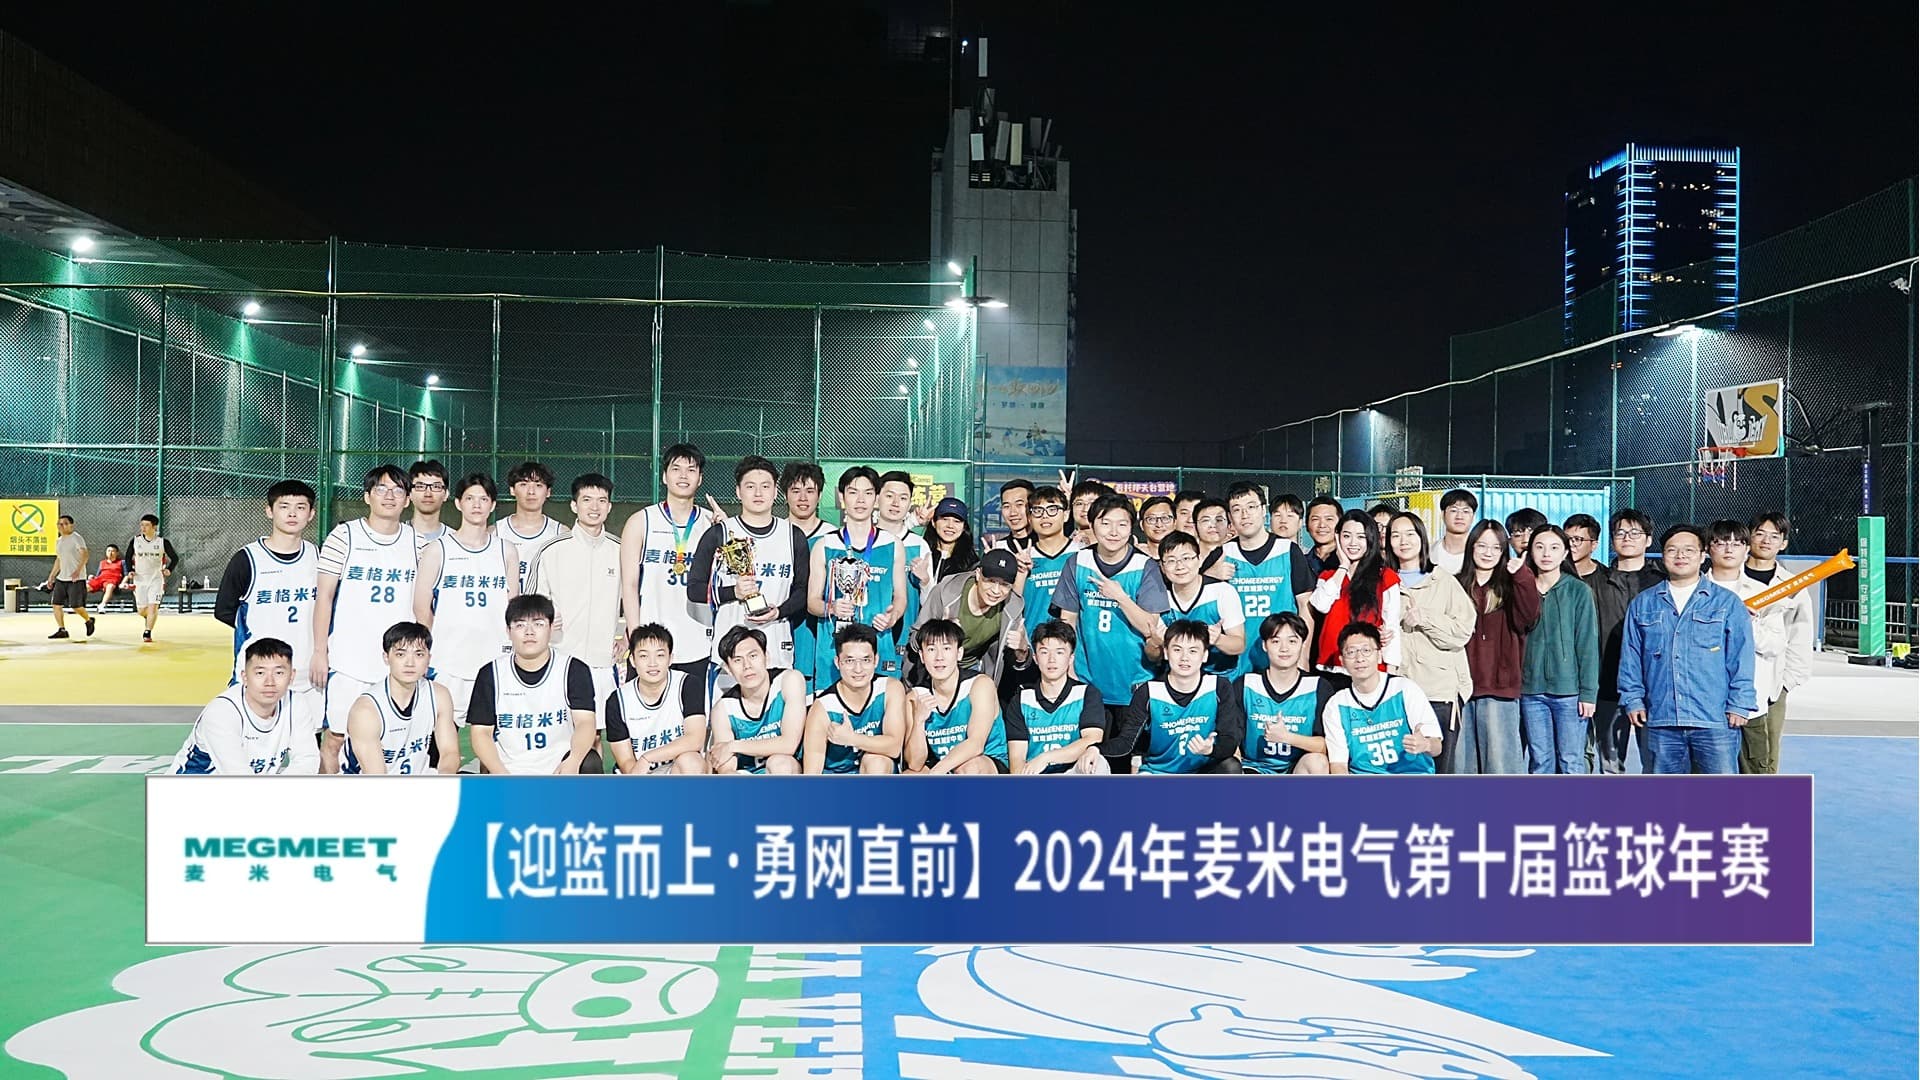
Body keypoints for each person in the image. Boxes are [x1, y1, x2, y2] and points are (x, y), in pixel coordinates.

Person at [1618, 524, 1756, 774]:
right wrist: (1633, 699)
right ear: (1663, 556)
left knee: (1721, 794)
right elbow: (1631, 657)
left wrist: (1739, 703)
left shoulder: (1727, 603)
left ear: (1703, 556)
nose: (1680, 555)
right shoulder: (1643, 604)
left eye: (1689, 550)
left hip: (1714, 720)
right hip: (1661, 719)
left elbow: (1741, 657)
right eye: (1672, 550)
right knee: (1666, 794)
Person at [1052, 493, 1171, 770]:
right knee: (1088, 762)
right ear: (1092, 524)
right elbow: (1067, 621)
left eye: (1122, 524)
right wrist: (1068, 666)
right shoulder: (1078, 563)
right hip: (1088, 680)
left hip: (1133, 683)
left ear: (1132, 527)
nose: (1113, 532)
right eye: (1105, 523)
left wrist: (1120, 596)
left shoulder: (1145, 566)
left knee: (1126, 762)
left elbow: (1150, 627)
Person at [313, 465, 419, 772]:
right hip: (348, 662)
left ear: (407, 500)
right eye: (381, 489)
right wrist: (320, 651)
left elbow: (425, 604)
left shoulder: (418, 543)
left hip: (398, 663)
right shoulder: (344, 536)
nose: (389, 496)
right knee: (335, 738)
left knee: (391, 740)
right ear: (367, 496)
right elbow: (324, 597)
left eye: (398, 490)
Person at [688, 456, 811, 694]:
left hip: (776, 650)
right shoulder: (720, 533)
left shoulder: (792, 536)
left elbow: (802, 591)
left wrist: (779, 611)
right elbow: (694, 589)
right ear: (738, 491)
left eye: (765, 486)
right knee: (726, 717)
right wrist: (733, 592)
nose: (758, 493)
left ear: (775, 492)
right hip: (729, 658)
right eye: (750, 486)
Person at [413, 472, 519, 726]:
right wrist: (434, 645)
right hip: (448, 661)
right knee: (440, 731)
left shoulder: (506, 550)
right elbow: (420, 607)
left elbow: (513, 606)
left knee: (494, 734)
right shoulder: (438, 549)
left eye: (483, 499)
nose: (477, 505)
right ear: (458, 503)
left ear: (493, 505)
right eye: (470, 498)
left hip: (494, 658)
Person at [528, 473, 624, 739]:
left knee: (594, 737)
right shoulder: (550, 550)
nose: (594, 507)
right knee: (558, 736)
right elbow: (530, 606)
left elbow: (634, 597)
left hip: (602, 662)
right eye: (587, 499)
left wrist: (628, 636)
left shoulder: (621, 550)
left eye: (601, 500)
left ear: (609, 506)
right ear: (574, 505)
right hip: (560, 659)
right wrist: (545, 618)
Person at [467, 593, 602, 775]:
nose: (529, 632)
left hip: (560, 767)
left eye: (538, 624)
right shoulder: (491, 674)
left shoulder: (573, 669)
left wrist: (574, 760)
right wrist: (500, 772)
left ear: (551, 628)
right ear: (508, 631)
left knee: (590, 762)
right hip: (508, 768)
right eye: (520, 625)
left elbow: (585, 722)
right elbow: (481, 732)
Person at [215, 480, 319, 712]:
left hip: (307, 673)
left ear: (311, 514)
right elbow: (223, 610)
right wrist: (259, 630)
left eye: (301, 507)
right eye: (284, 506)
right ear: (269, 511)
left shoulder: (317, 556)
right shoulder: (247, 559)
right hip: (260, 673)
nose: (292, 513)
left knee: (310, 734)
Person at [620, 443, 717, 687]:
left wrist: (729, 535)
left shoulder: (712, 524)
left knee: (695, 710)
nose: (683, 475)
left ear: (700, 478)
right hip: (652, 646)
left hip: (700, 644)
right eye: (676, 469)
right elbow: (629, 585)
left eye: (691, 470)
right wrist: (636, 637)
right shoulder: (641, 521)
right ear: (664, 476)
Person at [1387, 512, 1475, 773]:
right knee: (1400, 769)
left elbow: (1462, 631)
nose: (1403, 541)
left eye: (1410, 534)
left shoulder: (1442, 580)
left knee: (1440, 770)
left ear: (1422, 538)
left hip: (1438, 691)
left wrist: (1424, 618)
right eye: (1395, 535)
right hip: (1396, 691)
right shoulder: (1383, 583)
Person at [808, 466, 908, 685]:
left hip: (878, 645)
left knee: (883, 704)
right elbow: (812, 602)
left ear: (877, 498)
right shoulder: (824, 545)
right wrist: (831, 608)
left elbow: (900, 597)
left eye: (868, 493)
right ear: (841, 497)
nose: (860, 500)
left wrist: (893, 616)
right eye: (853, 492)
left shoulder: (893, 545)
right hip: (835, 649)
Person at [1108, 619, 1245, 774]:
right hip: (1159, 772)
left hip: (1202, 772)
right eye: (1177, 650)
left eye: (1193, 651)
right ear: (1166, 653)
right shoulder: (1148, 692)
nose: (1184, 657)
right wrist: (1095, 749)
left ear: (1205, 655)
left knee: (1231, 767)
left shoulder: (1219, 687)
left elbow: (1229, 740)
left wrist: (1211, 749)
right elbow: (1126, 742)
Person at [1455, 520, 1538, 774]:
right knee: (1462, 766)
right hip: (1461, 688)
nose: (1488, 553)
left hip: (1500, 689)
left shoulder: (1512, 585)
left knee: (1501, 766)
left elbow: (1529, 617)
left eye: (1496, 547)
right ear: (1471, 547)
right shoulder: (1456, 584)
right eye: (1482, 545)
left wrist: (1522, 576)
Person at [170, 638, 320, 774]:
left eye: (279, 673)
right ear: (245, 677)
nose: (270, 682)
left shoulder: (296, 703)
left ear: (292, 676)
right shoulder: (222, 712)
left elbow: (307, 760)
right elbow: (238, 777)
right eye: (260, 673)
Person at [1518, 525, 1600, 774]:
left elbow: (1587, 645)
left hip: (1569, 693)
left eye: (1554, 548)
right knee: (1540, 760)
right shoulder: (1522, 589)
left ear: (1564, 553)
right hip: (1531, 691)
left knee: (1570, 760)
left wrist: (1588, 693)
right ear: (1530, 551)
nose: (1546, 554)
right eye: (1539, 547)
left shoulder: (1578, 590)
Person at [1740, 511, 1816, 774]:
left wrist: (1786, 682)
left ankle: (1765, 800)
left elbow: (1800, 635)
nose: (1766, 541)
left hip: (1772, 682)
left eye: (1774, 536)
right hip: (1728, 681)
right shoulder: (1727, 577)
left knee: (1766, 756)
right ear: (1748, 537)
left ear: (1783, 543)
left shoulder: (1793, 586)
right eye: (1759, 533)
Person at [1216, 482, 1315, 676]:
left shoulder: (1288, 551)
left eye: (1251, 507)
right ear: (1229, 517)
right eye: (1237, 509)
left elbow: (1305, 605)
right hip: (1236, 663)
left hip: (1282, 659)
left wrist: (1303, 655)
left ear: (1263, 510)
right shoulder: (1222, 554)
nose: (1245, 515)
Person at [1322, 623, 1444, 775]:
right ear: (1342, 660)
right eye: (1351, 652)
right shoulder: (1336, 705)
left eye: (1366, 650)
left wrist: (1426, 744)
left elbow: (1437, 747)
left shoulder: (1404, 688)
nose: (1359, 658)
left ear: (1379, 655)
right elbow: (1338, 765)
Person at [340, 621, 460, 775]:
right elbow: (376, 777)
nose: (410, 663)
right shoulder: (366, 711)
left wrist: (443, 780)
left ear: (429, 658)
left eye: (419, 654)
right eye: (400, 654)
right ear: (386, 657)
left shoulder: (439, 695)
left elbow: (450, 753)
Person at [1603, 508, 1666, 772]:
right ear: (1612, 540)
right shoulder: (1598, 581)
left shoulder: (1664, 582)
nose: (1627, 538)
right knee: (1610, 765)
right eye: (1620, 533)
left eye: (1635, 532)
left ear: (1648, 540)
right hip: (1607, 683)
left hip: (1654, 687)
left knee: (1654, 763)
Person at [905, 619, 1010, 774]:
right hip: (942, 766)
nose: (939, 657)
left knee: (969, 768)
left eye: (946, 648)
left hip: (985, 761)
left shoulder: (979, 685)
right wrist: (919, 722)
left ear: (959, 653)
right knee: (910, 776)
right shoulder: (915, 696)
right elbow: (914, 763)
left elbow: (976, 744)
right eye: (931, 649)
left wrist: (936, 772)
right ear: (921, 656)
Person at [1005, 619, 1110, 774]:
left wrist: (1046, 758)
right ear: (1035, 658)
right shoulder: (1021, 700)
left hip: (1074, 774)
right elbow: (1017, 761)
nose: (1051, 659)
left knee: (1096, 761)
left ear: (1071, 658)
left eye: (1059, 652)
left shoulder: (1086, 694)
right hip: (1036, 778)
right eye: (1044, 652)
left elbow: (1092, 740)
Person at [1236, 612, 1333, 775]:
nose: (1284, 648)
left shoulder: (1318, 687)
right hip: (1254, 768)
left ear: (1303, 644)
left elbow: (1327, 746)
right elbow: (1232, 740)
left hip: (1297, 769)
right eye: (1275, 641)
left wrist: (1287, 737)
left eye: (1292, 641)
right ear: (1264, 645)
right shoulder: (1246, 684)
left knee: (1318, 762)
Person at [605, 624, 709, 774]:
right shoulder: (618, 701)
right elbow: (626, 761)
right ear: (632, 660)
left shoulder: (687, 685)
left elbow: (695, 739)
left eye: (660, 655)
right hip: (640, 774)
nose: (652, 663)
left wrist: (648, 757)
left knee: (691, 761)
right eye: (644, 656)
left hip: (676, 769)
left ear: (670, 658)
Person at [1565, 513, 1625, 773]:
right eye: (1568, 538)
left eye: (1579, 539)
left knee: (1611, 758)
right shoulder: (1557, 580)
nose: (1572, 545)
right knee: (1575, 755)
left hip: (1607, 681)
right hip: (1570, 684)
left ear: (1594, 544)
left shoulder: (1610, 581)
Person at [912, 549, 1029, 683]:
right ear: (978, 574)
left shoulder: (1012, 607)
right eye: (990, 581)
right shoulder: (947, 592)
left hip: (973, 669)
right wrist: (942, 631)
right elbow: (914, 639)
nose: (996, 591)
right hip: (932, 670)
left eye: (1004, 585)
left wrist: (1022, 651)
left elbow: (1021, 660)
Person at [803, 623, 906, 774]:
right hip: (837, 780)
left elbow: (894, 747)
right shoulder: (823, 708)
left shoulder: (890, 689)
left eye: (865, 660)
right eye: (850, 661)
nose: (858, 669)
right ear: (838, 663)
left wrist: (851, 739)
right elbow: (812, 774)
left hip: (876, 772)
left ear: (876, 660)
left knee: (876, 762)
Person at [1309, 510, 1402, 674]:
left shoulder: (1385, 577)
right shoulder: (1329, 576)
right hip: (1330, 667)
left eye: (1361, 537)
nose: (1353, 543)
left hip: (1369, 670)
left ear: (1370, 539)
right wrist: (1343, 566)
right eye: (1346, 536)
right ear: (1337, 537)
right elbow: (1320, 605)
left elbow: (1391, 628)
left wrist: (1391, 675)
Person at [708, 625, 808, 775]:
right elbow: (724, 764)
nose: (747, 666)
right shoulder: (723, 709)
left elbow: (789, 744)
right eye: (737, 660)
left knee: (779, 763)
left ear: (766, 657)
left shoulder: (789, 680)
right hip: (747, 777)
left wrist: (733, 746)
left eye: (753, 656)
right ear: (728, 669)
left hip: (786, 770)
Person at [1153, 530, 1246, 676]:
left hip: (1222, 677)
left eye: (1186, 558)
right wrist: (1156, 643)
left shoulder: (1222, 591)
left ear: (1199, 560)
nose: (1180, 566)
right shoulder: (1158, 596)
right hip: (1177, 678)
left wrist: (1218, 639)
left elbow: (1239, 645)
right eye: (1171, 561)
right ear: (1162, 567)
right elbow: (1153, 656)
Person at [781, 460, 836, 692]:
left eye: (810, 491)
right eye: (795, 491)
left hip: (822, 626)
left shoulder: (833, 537)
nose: (803, 498)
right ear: (785, 495)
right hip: (782, 622)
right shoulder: (775, 534)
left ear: (820, 495)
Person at [502, 460, 569, 591]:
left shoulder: (561, 533)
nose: (531, 491)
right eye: (523, 484)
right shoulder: (496, 532)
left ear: (548, 492)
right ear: (512, 490)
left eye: (538, 485)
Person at [126, 514, 179, 642]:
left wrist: (169, 569)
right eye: (142, 525)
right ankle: (149, 616)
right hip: (140, 579)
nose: (143, 528)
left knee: (153, 606)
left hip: (156, 579)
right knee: (141, 610)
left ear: (154, 527)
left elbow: (175, 558)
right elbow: (128, 557)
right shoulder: (136, 541)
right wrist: (130, 571)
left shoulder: (162, 542)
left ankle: (147, 632)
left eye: (147, 525)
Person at [40, 513, 92, 640]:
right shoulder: (59, 541)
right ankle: (62, 629)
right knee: (56, 604)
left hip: (76, 579)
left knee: (76, 606)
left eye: (65, 524)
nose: (61, 526)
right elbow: (59, 559)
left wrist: (77, 570)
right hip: (61, 578)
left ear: (71, 525)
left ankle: (89, 620)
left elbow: (85, 555)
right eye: (59, 524)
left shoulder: (77, 538)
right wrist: (52, 576)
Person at [925, 497, 980, 581]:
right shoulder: (922, 552)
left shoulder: (971, 563)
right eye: (945, 519)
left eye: (957, 521)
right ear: (933, 522)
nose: (950, 526)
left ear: (964, 526)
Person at [1430, 489, 1477, 575]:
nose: (1459, 516)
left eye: (1466, 511)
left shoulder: (1480, 554)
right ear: (1443, 514)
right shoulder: (1429, 553)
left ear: (1473, 516)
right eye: (1454, 510)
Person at [407, 459, 451, 550]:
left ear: (446, 494)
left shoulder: (454, 540)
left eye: (436, 487)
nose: (428, 494)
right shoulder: (396, 535)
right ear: (409, 493)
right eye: (420, 486)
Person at [1303, 496, 1343, 577]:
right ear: (1307, 525)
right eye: (1315, 519)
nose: (1322, 525)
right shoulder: (1300, 562)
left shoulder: (1349, 560)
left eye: (1329, 519)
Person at [1191, 498, 1232, 577]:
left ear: (1229, 526)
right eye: (1206, 520)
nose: (1213, 525)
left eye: (1219, 520)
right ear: (1194, 527)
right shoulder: (1186, 558)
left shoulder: (1236, 556)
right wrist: (1210, 574)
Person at [991, 478, 1034, 551]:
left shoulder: (1047, 546)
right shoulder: (997, 548)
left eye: (1019, 504)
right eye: (1006, 506)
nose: (1013, 513)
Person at [1504, 508, 1547, 573]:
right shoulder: (1505, 572)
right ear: (1510, 541)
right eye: (1518, 535)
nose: (1526, 540)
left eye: (1532, 534)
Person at [88, 545, 125, 610]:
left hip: (112, 580)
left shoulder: (121, 562)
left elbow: (126, 574)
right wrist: (92, 577)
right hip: (100, 579)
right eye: (109, 551)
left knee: (110, 586)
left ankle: (102, 605)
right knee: (85, 586)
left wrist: (123, 583)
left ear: (117, 553)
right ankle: (77, 605)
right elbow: (98, 575)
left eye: (113, 551)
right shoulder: (102, 562)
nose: (110, 553)